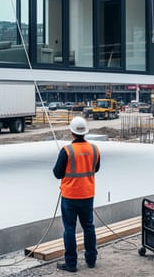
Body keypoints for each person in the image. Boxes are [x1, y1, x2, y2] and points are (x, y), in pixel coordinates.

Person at [52, 116, 101, 273]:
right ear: (85, 132)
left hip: (70, 197)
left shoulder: (66, 151)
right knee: (89, 227)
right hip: (87, 195)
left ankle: (71, 263)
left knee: (69, 230)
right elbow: (96, 168)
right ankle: (91, 260)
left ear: (71, 133)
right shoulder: (94, 149)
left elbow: (57, 173)